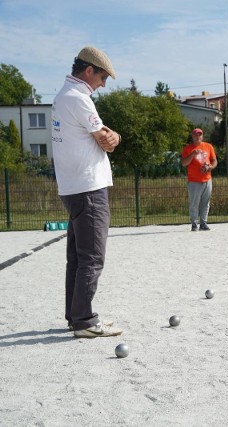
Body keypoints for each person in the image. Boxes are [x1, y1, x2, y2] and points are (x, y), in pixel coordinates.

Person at [51, 46, 123, 338]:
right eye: (103, 77)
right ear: (89, 70)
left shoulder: (63, 96)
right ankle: (84, 321)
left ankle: (75, 315)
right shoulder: (79, 99)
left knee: (78, 258)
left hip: (72, 187)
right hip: (88, 187)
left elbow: (106, 135)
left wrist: (111, 135)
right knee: (92, 257)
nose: (103, 84)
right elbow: (106, 140)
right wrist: (112, 137)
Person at [181, 128, 218, 231]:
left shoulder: (208, 146)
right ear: (192, 136)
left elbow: (214, 161)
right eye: (196, 135)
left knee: (206, 203)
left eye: (200, 135)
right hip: (194, 181)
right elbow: (184, 163)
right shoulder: (188, 149)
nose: (198, 137)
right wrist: (192, 154)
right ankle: (194, 223)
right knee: (194, 203)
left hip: (207, 179)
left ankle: (203, 223)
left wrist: (210, 167)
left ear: (202, 136)